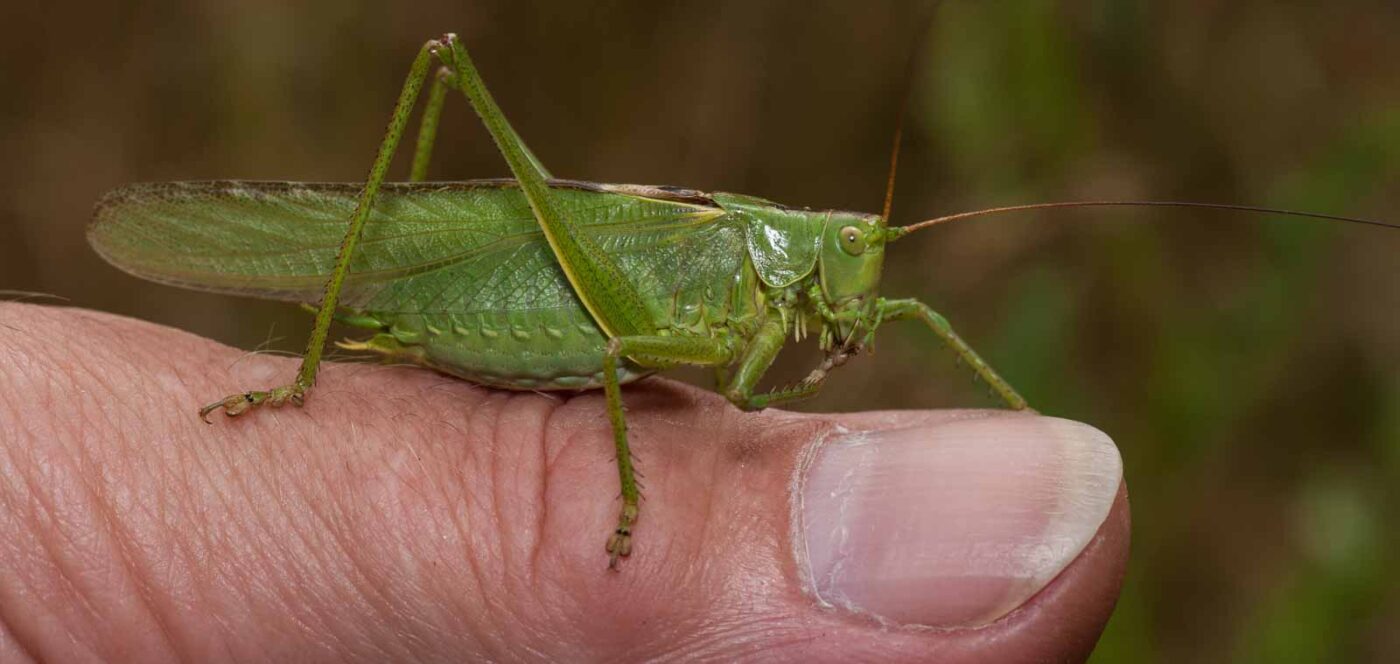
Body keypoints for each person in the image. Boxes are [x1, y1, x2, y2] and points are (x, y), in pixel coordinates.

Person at [0, 303, 1128, 661]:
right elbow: (687, 376)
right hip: (562, 309)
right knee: (449, 61)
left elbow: (733, 395)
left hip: (597, 330)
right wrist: (629, 500)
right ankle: (294, 380)